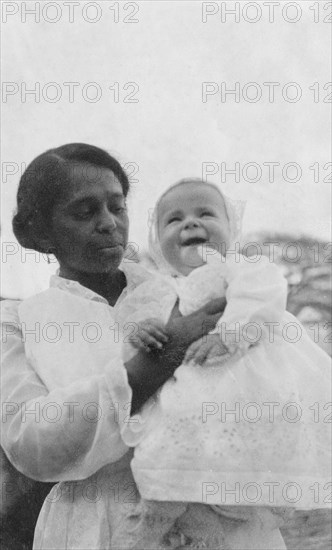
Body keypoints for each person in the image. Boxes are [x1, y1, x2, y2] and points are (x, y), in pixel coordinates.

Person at [0, 146, 226, 550]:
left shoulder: (182, 291)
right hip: (95, 525)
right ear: (41, 232)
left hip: (210, 511)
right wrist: (168, 350)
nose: (108, 224)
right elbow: (33, 445)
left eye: (116, 207)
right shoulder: (21, 322)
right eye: (84, 212)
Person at [110, 178, 332, 549]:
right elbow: (139, 327)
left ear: (231, 229)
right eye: (174, 219)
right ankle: (157, 515)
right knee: (168, 450)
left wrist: (228, 332)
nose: (190, 224)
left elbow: (261, 296)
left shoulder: (240, 270)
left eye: (205, 214)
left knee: (242, 462)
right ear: (157, 240)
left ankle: (230, 516)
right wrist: (143, 330)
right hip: (188, 396)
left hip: (243, 382)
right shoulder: (158, 288)